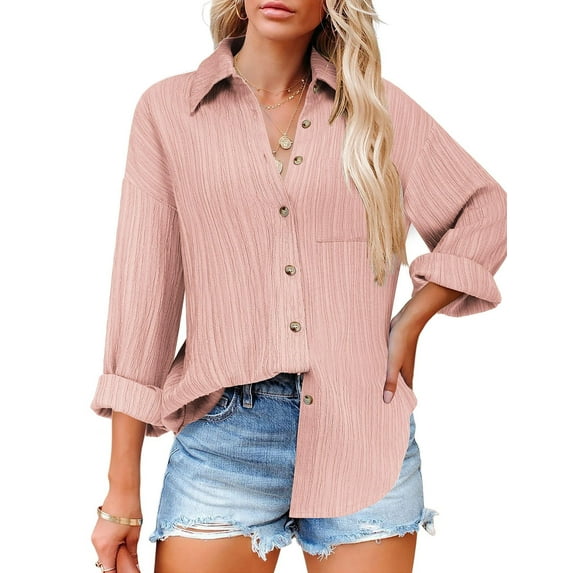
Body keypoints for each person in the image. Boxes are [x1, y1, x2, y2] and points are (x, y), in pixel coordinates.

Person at [90, 1, 507, 572]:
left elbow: (483, 209)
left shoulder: (378, 111)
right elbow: (143, 298)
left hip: (362, 429)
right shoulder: (169, 110)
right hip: (223, 437)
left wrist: (412, 319)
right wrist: (121, 492)